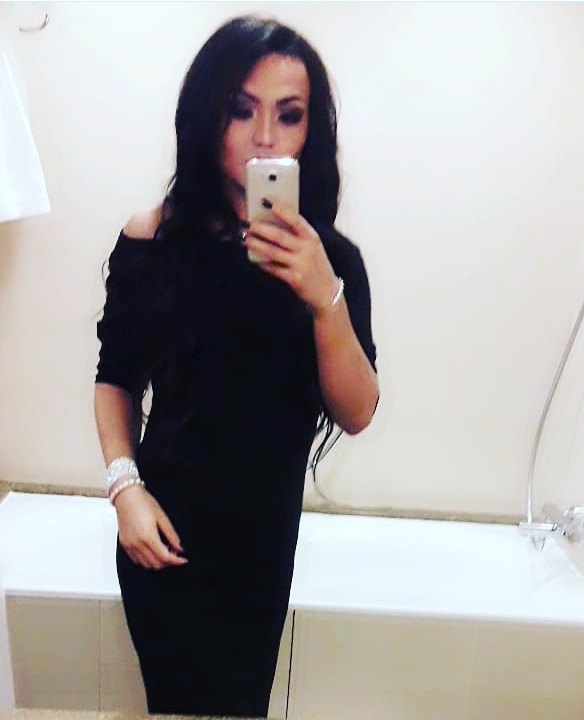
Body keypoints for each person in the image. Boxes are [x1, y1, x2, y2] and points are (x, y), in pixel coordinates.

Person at [94, 15, 379, 718]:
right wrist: (125, 491)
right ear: (206, 116)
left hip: (262, 545)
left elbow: (356, 411)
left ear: (311, 131)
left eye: (289, 114)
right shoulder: (152, 237)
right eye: (241, 110)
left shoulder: (332, 260)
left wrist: (325, 297)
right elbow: (115, 378)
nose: (265, 136)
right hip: (164, 533)